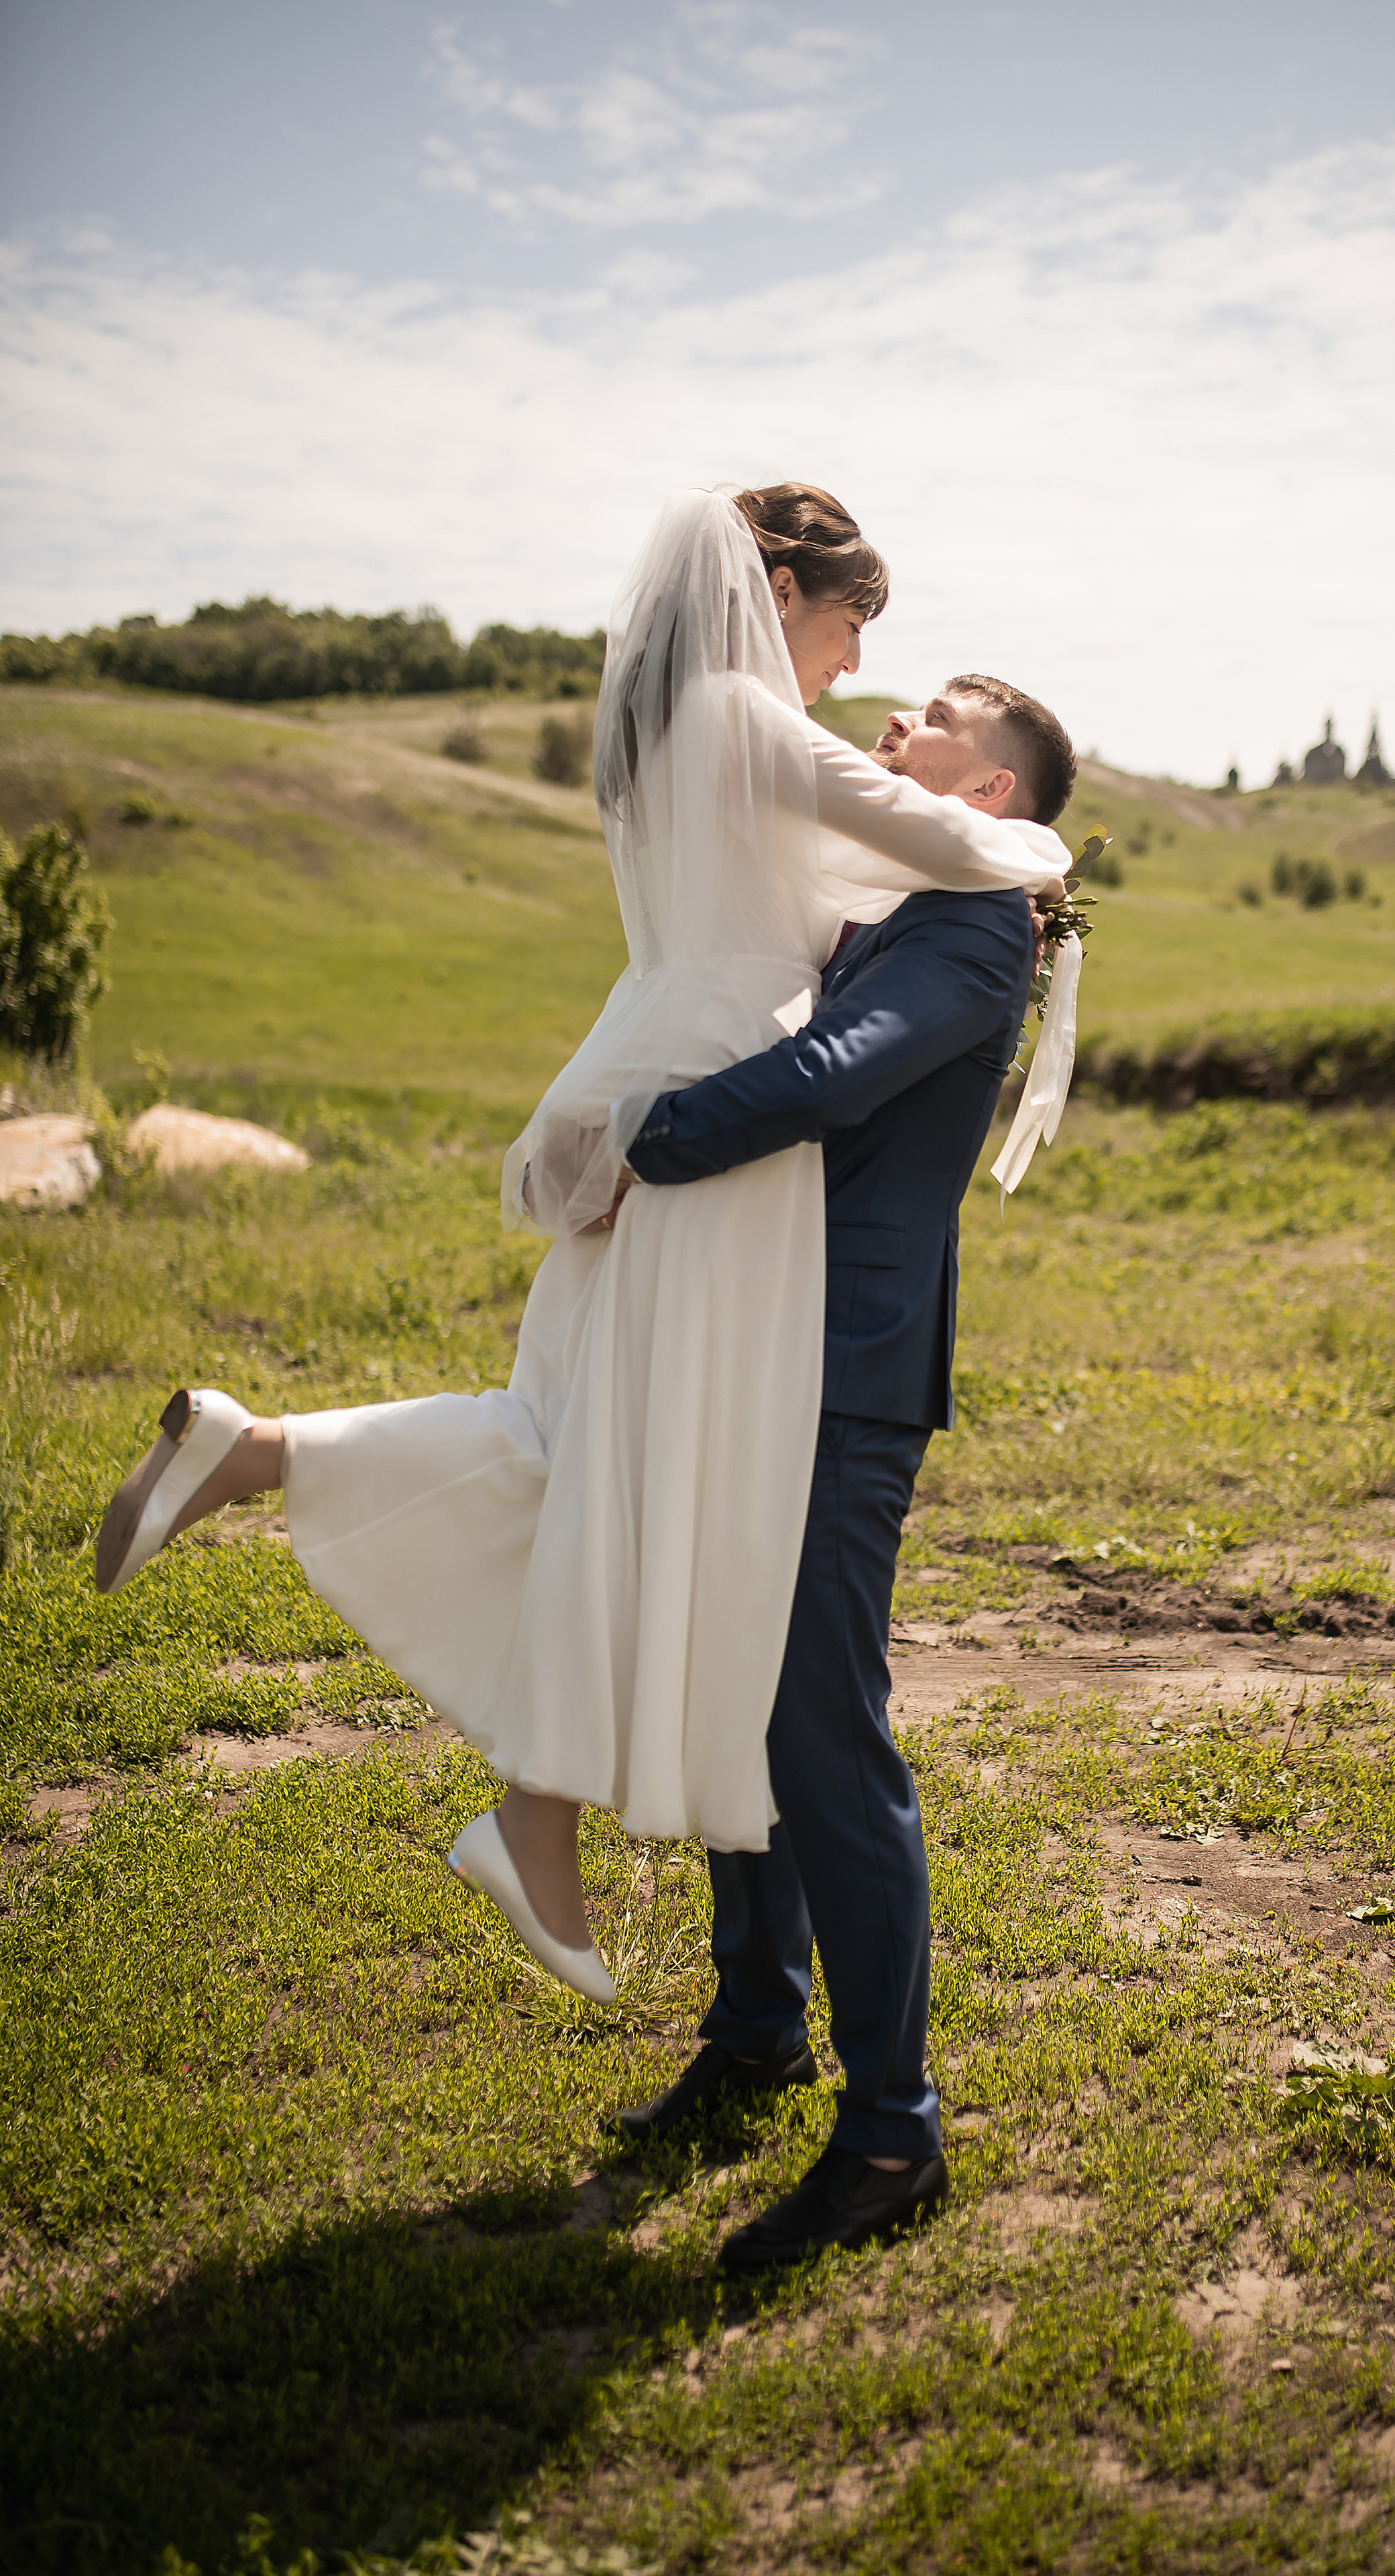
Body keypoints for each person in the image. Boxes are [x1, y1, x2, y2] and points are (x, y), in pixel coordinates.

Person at [93, 486, 1072, 2015]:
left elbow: (872, 882)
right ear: (772, 596)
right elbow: (952, 841)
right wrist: (1040, 846)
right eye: (844, 627)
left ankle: (290, 1486)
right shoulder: (749, 714)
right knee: (634, 1471)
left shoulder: (674, 728)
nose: (850, 672)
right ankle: (545, 1816)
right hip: (708, 1107)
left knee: (580, 1442)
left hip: (659, 1058)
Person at [610, 669, 1079, 2271]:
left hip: (844, 1369)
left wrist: (645, 1137)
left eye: (937, 716)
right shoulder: (903, 899)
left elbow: (825, 1078)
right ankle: (756, 2030)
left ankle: (891, 2129)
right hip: (771, 1342)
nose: (897, 723)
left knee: (822, 1727)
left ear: (995, 791)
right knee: (746, 1694)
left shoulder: (972, 931)